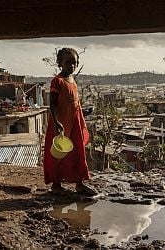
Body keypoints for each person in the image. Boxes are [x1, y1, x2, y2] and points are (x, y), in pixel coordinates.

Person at [43, 48, 96, 196]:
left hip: (74, 122)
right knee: (58, 155)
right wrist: (57, 122)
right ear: (60, 63)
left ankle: (80, 183)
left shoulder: (73, 80)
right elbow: (52, 104)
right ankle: (56, 184)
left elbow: (74, 103)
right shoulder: (57, 81)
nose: (71, 66)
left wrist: (82, 114)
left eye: (74, 63)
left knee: (78, 151)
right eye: (68, 63)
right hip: (60, 124)